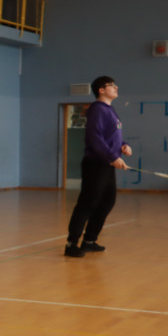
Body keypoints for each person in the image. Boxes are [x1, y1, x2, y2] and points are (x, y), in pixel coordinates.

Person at [65, 76, 131, 257]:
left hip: (107, 164)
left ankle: (89, 240)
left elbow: (111, 135)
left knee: (107, 202)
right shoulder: (97, 110)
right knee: (87, 203)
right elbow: (95, 138)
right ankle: (71, 244)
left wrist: (123, 145)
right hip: (96, 164)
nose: (116, 87)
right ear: (101, 90)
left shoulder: (110, 109)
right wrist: (112, 156)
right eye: (112, 85)